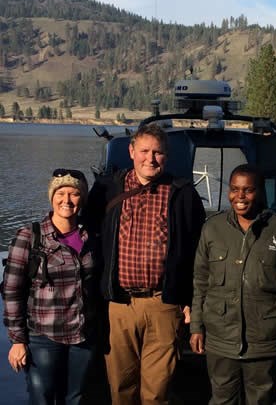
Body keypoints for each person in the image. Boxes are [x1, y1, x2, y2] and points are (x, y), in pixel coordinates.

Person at [84, 123, 206, 405]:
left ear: (167, 156)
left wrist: (190, 300)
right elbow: (87, 239)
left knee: (157, 391)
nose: (150, 159)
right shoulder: (106, 189)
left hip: (164, 304)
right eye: (144, 151)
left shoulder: (183, 193)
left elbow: (198, 251)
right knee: (120, 388)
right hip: (118, 305)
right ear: (131, 151)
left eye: (158, 153)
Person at [190, 164, 276, 405]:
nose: (240, 197)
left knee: (261, 400)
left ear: (260, 191)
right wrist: (196, 327)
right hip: (220, 338)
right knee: (222, 399)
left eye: (248, 190)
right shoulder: (212, 228)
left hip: (265, 340)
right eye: (234, 189)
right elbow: (200, 282)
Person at [3, 168, 98, 405]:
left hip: (82, 337)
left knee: (75, 398)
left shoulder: (90, 238)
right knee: (42, 397)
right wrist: (17, 340)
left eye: (74, 194)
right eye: (61, 193)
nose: (67, 200)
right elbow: (12, 291)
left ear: (82, 199)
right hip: (43, 337)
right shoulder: (29, 237)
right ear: (52, 196)